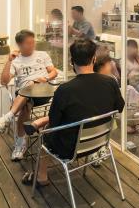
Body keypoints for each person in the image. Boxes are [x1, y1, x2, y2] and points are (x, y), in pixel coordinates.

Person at [26, 38, 124, 186]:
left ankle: (41, 177)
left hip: (70, 148)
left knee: (46, 132)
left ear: (72, 61)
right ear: (94, 58)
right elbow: (119, 107)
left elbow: (54, 123)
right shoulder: (110, 82)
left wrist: (43, 122)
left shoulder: (65, 90)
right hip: (101, 142)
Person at [0, 29, 58, 160]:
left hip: (44, 92)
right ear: (19, 45)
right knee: (25, 104)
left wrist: (45, 78)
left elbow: (54, 72)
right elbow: (4, 82)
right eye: (28, 43)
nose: (32, 45)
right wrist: (9, 61)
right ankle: (20, 145)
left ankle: (8, 118)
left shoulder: (42, 55)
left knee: (29, 87)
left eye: (33, 42)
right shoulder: (16, 60)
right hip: (24, 95)